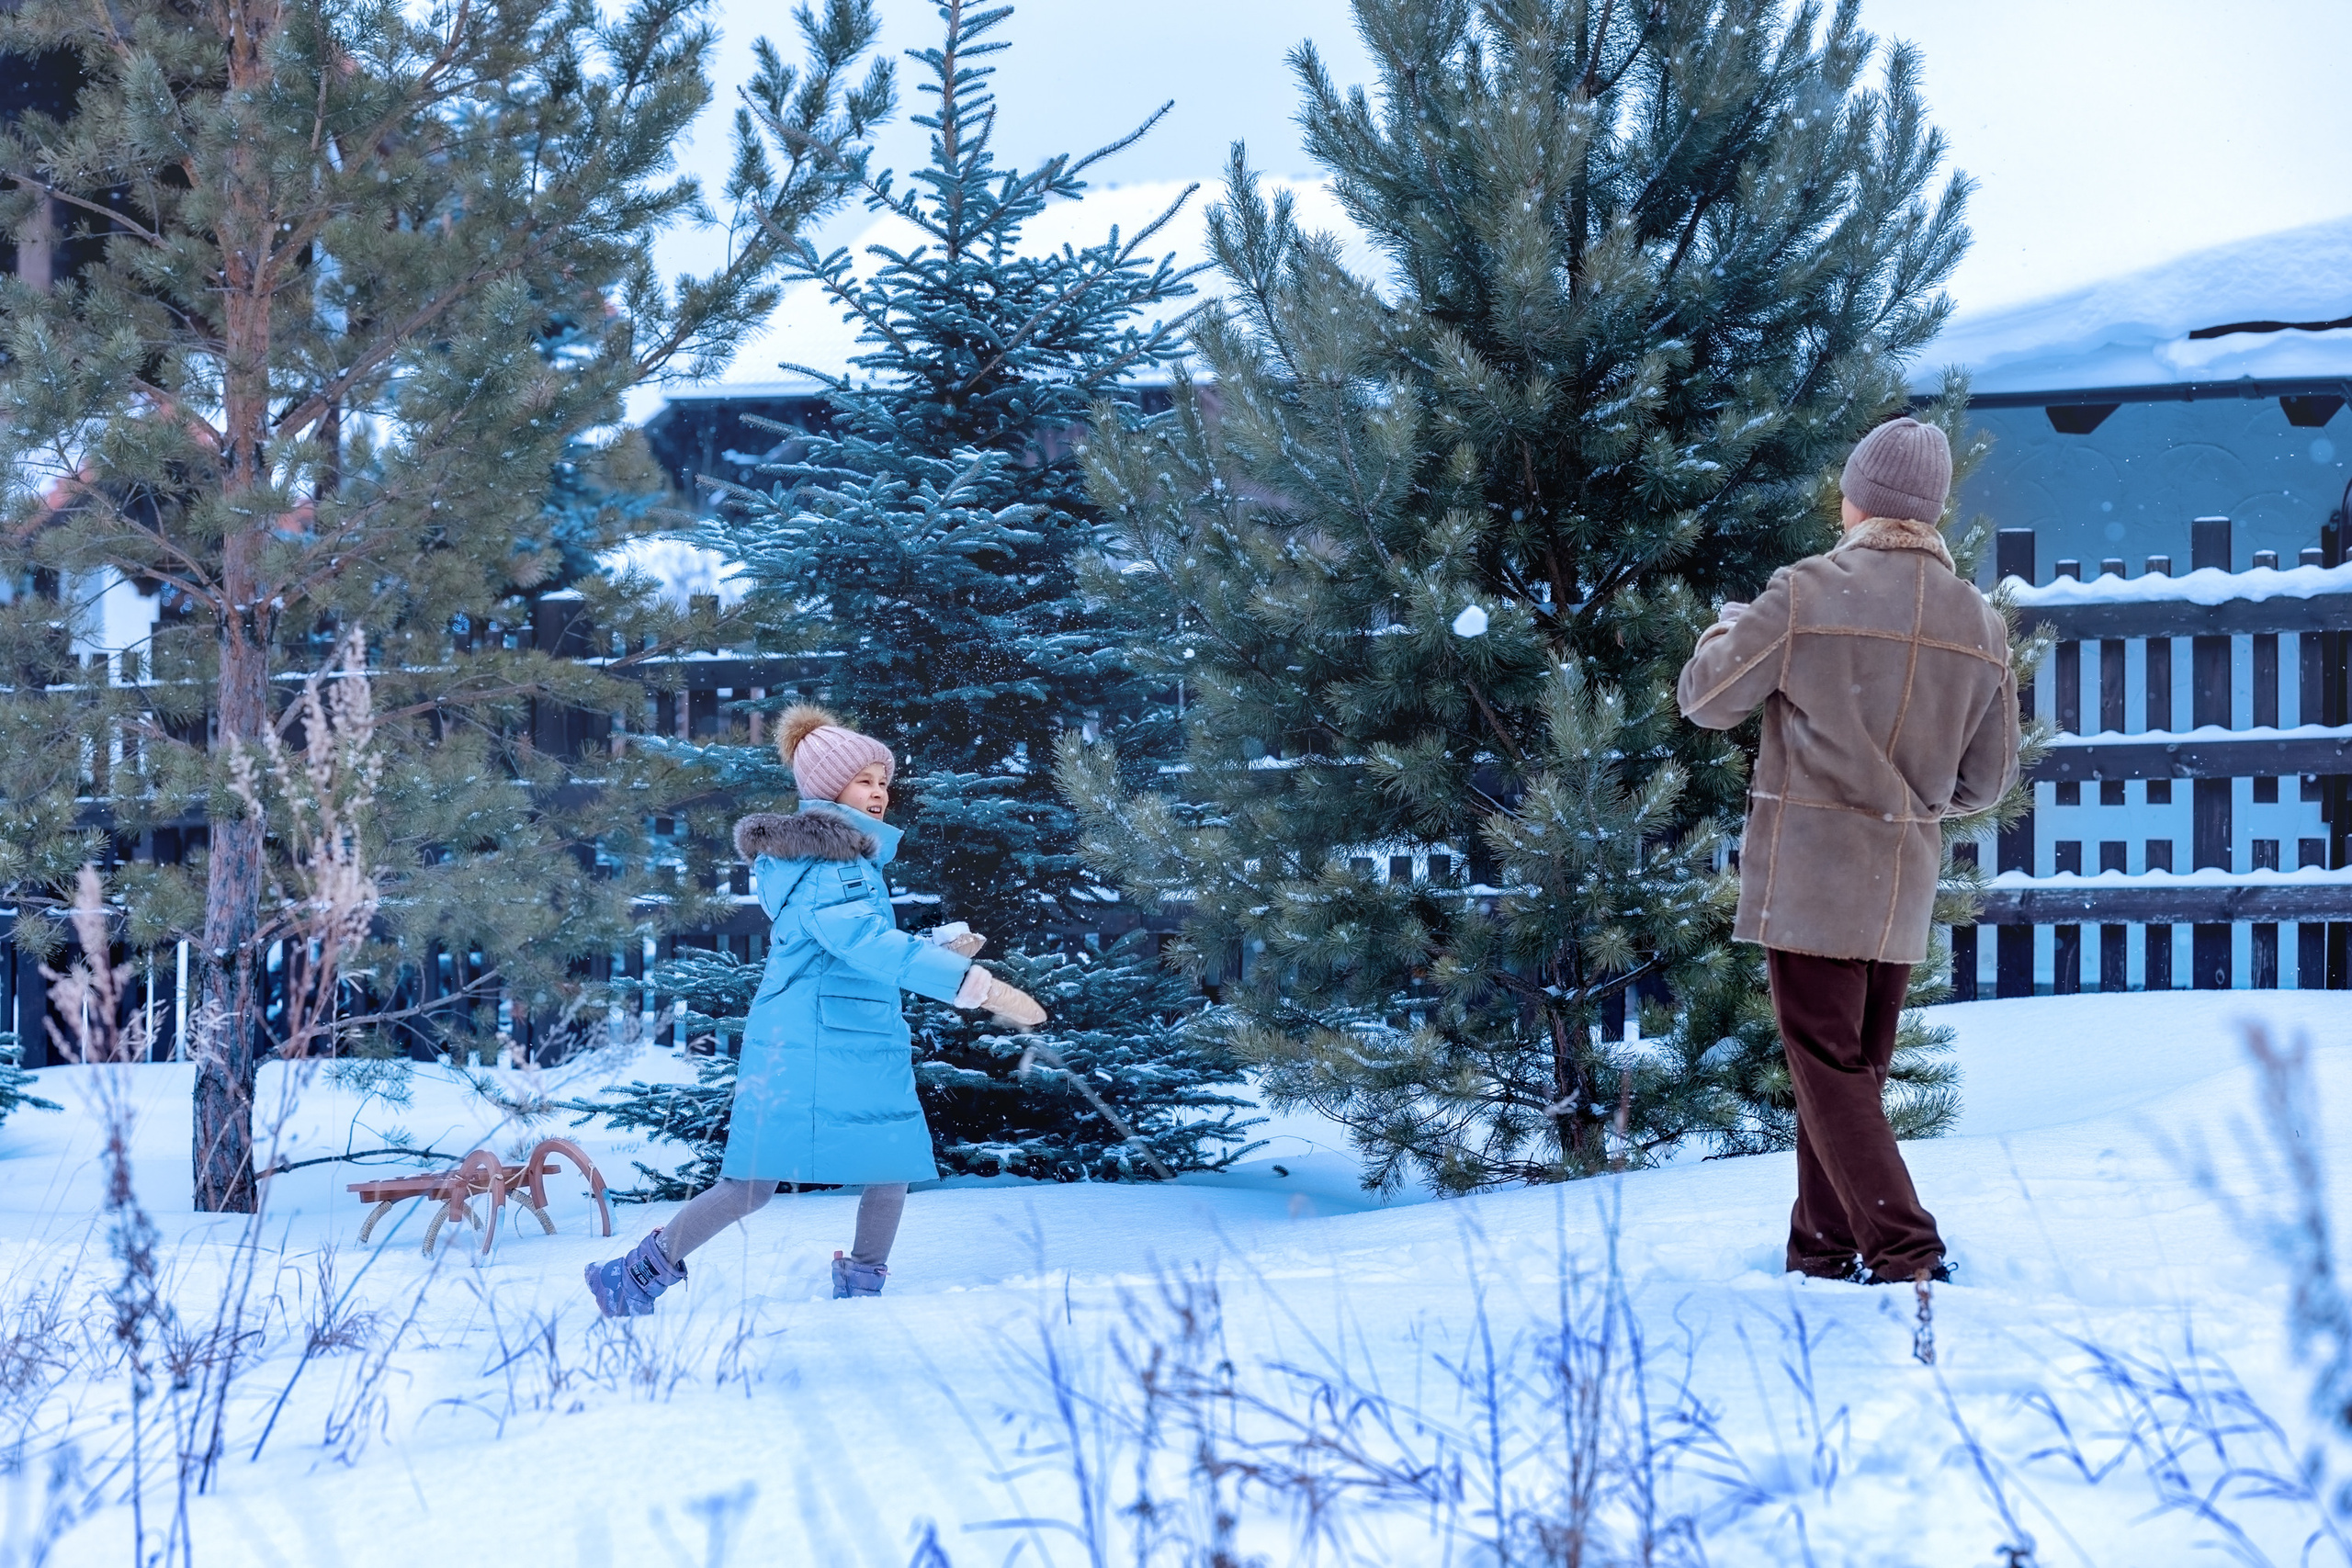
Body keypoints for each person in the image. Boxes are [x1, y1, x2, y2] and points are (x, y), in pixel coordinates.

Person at [1676, 416, 2018, 1287]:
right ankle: (1821, 1252)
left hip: (1812, 879)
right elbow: (1986, 783)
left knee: (1830, 1074)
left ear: (1859, 499)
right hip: (1899, 884)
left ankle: (1907, 1250)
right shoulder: (1979, 624)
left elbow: (1707, 698)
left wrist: (1726, 628)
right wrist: (1907, 788)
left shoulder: (1806, 592)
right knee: (1848, 1075)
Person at [586, 706, 1047, 1314]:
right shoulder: (832, 867)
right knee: (753, 1181)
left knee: (887, 1161)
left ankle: (860, 1288)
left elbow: (850, 946)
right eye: (864, 781)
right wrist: (965, 982)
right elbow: (864, 943)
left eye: (883, 781)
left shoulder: (847, 863)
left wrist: (932, 949)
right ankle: (634, 1277)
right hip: (809, 1041)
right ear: (830, 791)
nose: (879, 792)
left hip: (849, 1033)